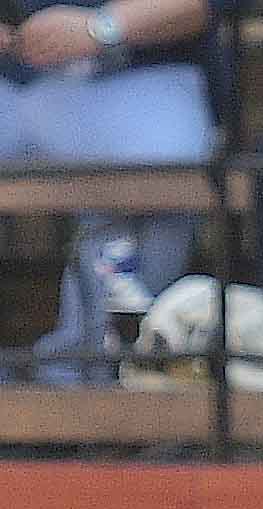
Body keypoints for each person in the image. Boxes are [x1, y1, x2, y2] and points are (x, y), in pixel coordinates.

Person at [0, 0, 220, 383]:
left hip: (140, 75)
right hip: (13, 85)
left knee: (167, 156)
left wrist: (100, 28)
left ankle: (92, 376)